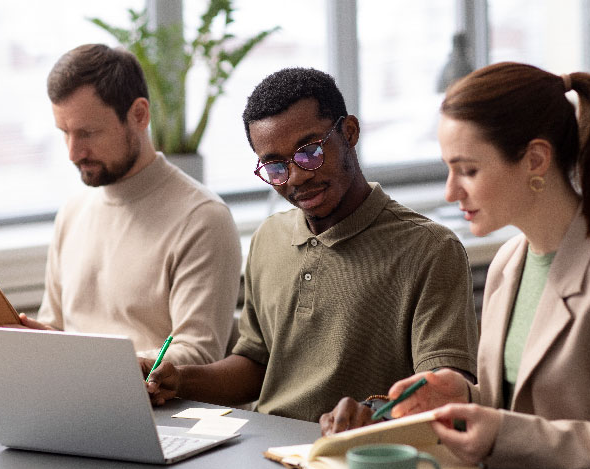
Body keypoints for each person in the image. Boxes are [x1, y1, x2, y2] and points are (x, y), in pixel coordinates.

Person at [321, 62, 590, 469]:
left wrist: (502, 434)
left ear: (535, 159)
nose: (450, 191)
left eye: (468, 170)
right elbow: (523, 408)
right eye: (448, 168)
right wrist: (466, 397)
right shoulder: (508, 264)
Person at [142, 67, 479, 422]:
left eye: (310, 151)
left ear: (349, 133)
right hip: (264, 449)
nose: (298, 176)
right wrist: (178, 378)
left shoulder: (430, 249)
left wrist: (373, 413)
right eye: (275, 166)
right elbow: (256, 366)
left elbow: (443, 392)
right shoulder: (268, 239)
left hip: (357, 456)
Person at [20, 44, 242, 366]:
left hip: (160, 411)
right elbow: (56, 328)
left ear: (139, 115)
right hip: (75, 400)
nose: (73, 152)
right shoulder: (72, 212)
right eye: (65, 133)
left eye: (87, 133)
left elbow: (198, 355)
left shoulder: (203, 219)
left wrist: (102, 367)